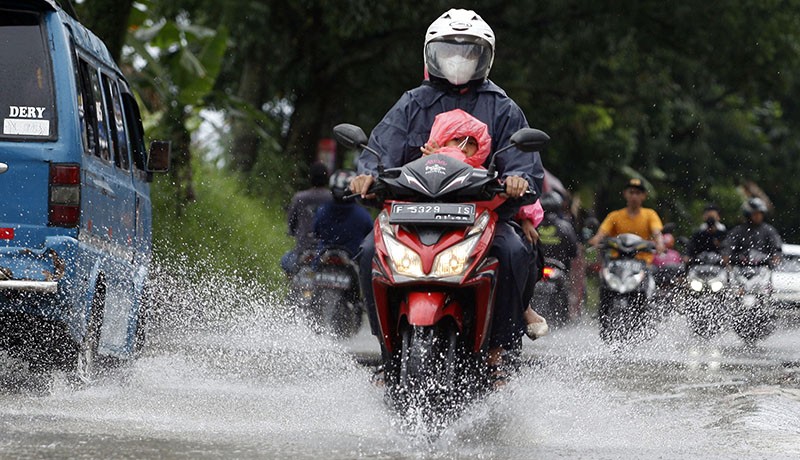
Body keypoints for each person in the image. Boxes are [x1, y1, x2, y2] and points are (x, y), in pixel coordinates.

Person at [349, 9, 545, 374]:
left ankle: (499, 352)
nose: (458, 61)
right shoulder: (412, 103)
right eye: (449, 52)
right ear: (431, 55)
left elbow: (522, 162)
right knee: (365, 252)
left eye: (469, 52)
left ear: (485, 57)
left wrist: (519, 180)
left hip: (483, 215)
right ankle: (386, 351)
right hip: (410, 214)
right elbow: (380, 150)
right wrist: (363, 176)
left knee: (515, 250)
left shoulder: (502, 107)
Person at [421, 108, 550, 340]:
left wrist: (526, 217)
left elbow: (515, 196)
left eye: (470, 142)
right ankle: (389, 355)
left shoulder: (485, 176)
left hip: (477, 237)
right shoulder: (420, 166)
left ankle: (503, 342)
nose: (463, 146)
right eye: (457, 139)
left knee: (513, 250)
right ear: (440, 137)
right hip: (427, 238)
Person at [587, 178, 665, 262]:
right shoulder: (614, 216)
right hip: (616, 261)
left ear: (644, 195)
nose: (634, 196)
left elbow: (656, 232)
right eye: (631, 192)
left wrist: (660, 243)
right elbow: (603, 231)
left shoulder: (650, 214)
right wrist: (596, 239)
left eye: (638, 193)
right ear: (625, 194)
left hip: (643, 263)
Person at [280, 162, 332, 275]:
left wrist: (292, 232)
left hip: (303, 249)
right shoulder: (332, 198)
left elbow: (291, 222)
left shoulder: (299, 198)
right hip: (327, 250)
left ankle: (291, 289)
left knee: (285, 261)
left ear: (310, 178)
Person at [313, 170, 374, 259]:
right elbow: (370, 235)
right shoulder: (362, 214)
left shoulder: (322, 210)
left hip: (323, 258)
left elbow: (316, 231)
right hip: (353, 260)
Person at [722, 197, 782, 268]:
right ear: (748, 214)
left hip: (762, 269)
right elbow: (729, 244)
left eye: (760, 214)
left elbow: (776, 246)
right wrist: (726, 255)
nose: (758, 216)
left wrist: (776, 257)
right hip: (740, 268)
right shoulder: (738, 230)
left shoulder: (769, 230)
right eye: (755, 214)